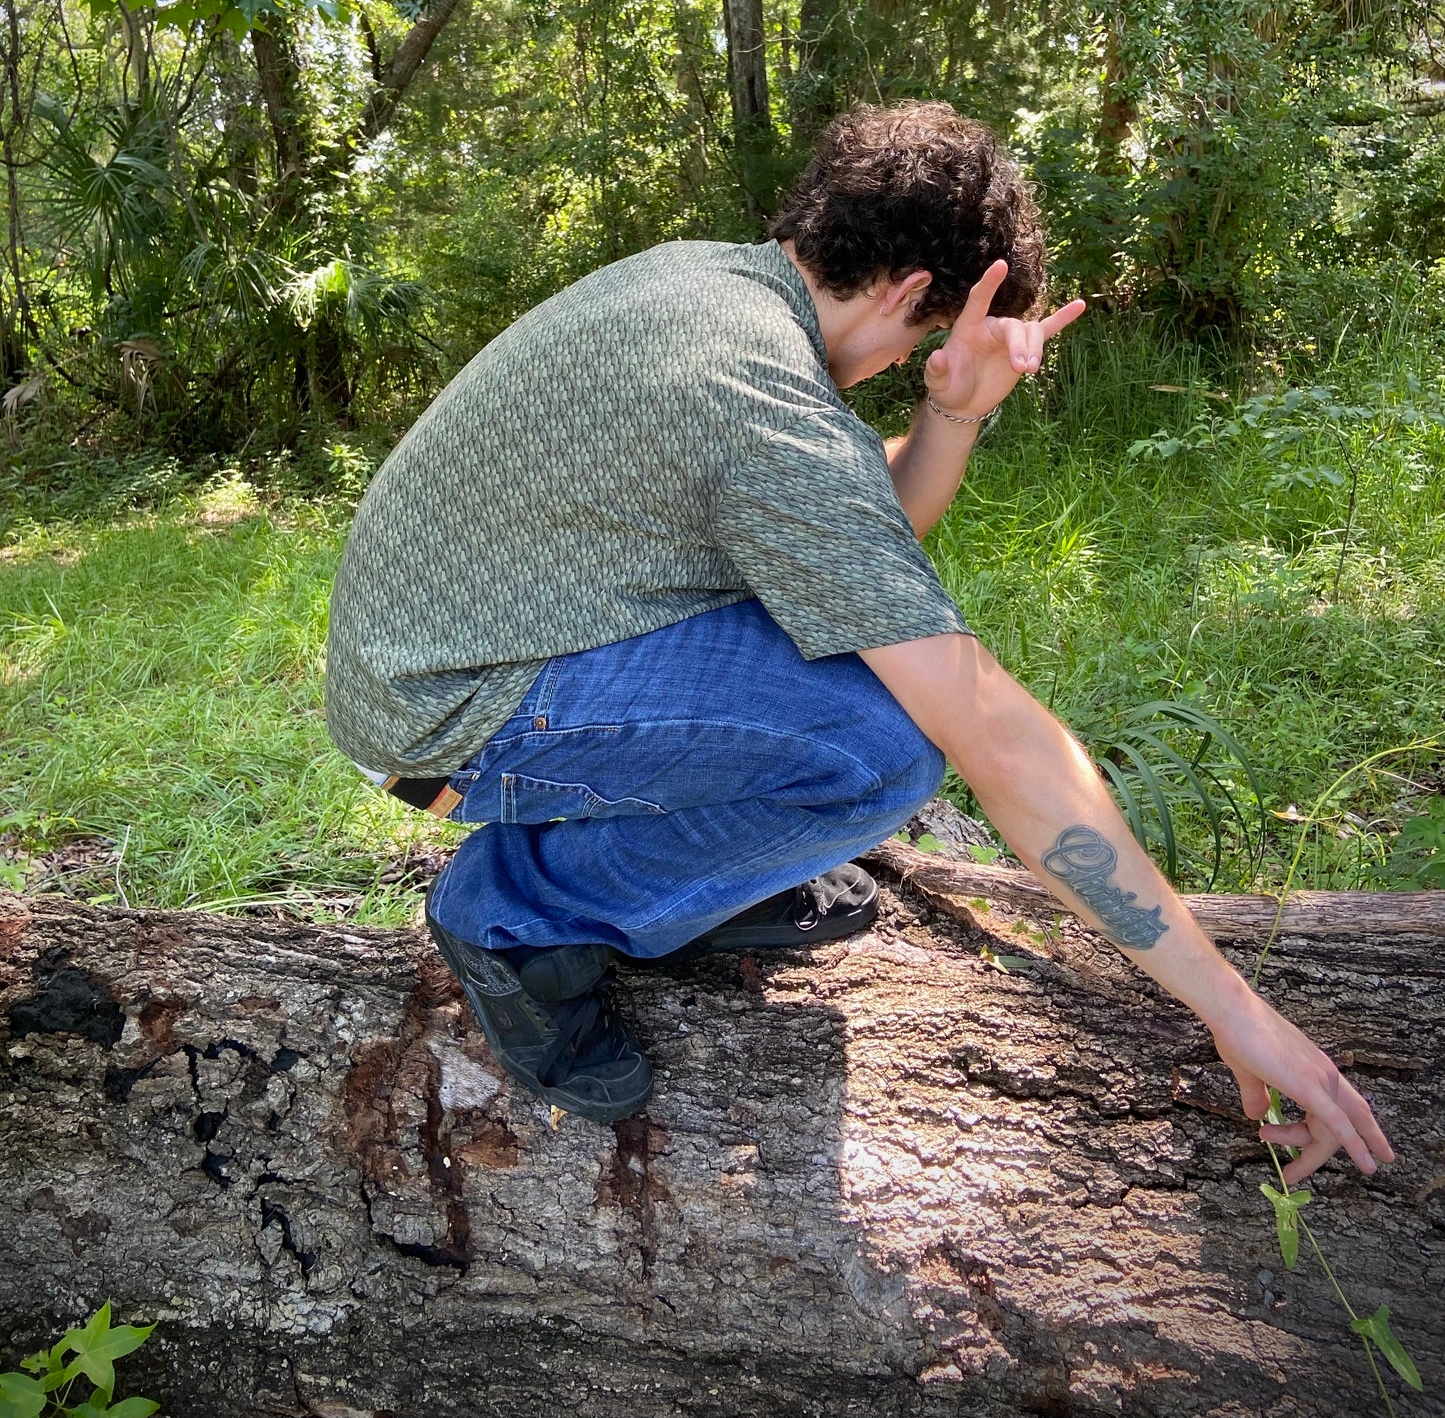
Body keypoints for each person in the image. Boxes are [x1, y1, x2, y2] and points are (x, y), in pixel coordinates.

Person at [324, 100, 1393, 1186]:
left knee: (854, 691)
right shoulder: (760, 396)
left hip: (463, 651)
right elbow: (991, 735)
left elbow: (842, 528)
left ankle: (676, 886)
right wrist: (1232, 1004)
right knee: (879, 748)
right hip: (451, 717)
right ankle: (515, 913)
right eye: (923, 338)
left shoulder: (712, 285)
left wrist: (952, 412)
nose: (904, 361)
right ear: (905, 292)